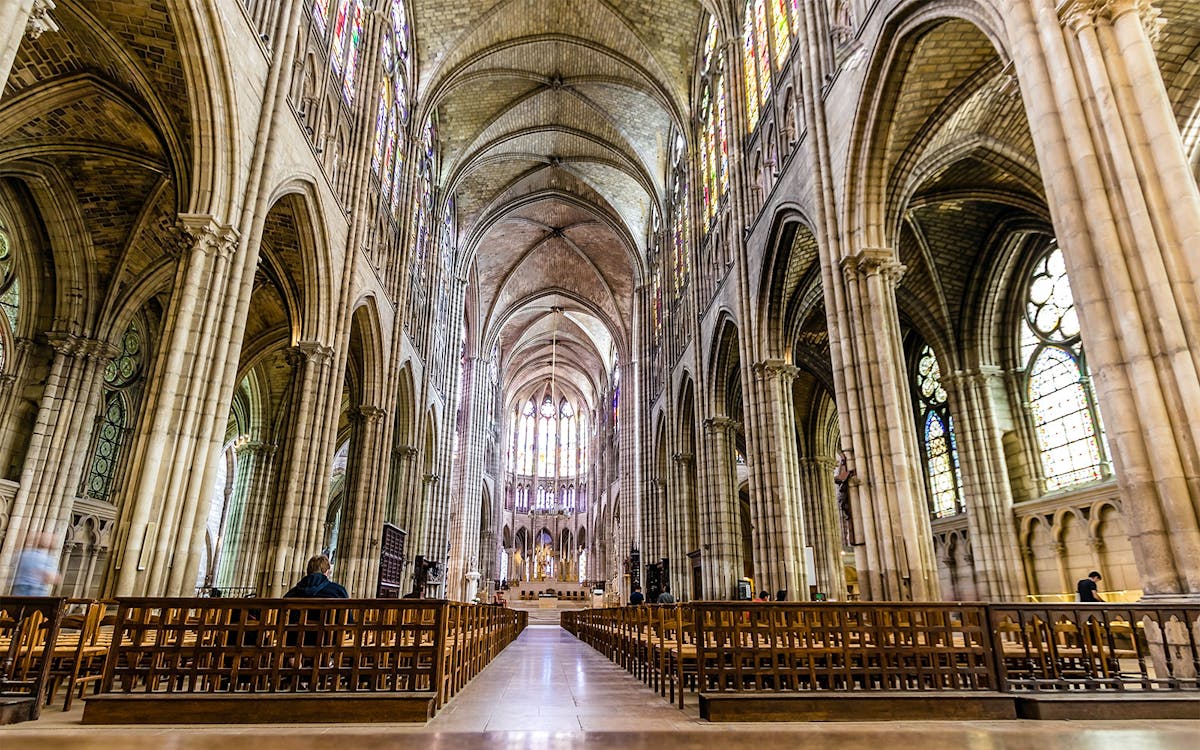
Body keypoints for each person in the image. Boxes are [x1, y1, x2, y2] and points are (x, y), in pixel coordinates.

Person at [11, 532, 61, 596]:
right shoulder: (46, 558)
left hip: (19, 590)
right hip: (36, 592)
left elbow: (13, 565)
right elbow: (50, 577)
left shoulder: (24, 554)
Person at [284, 554, 349, 598]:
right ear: (326, 572)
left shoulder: (292, 593)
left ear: (308, 571)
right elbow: (348, 617)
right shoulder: (339, 592)